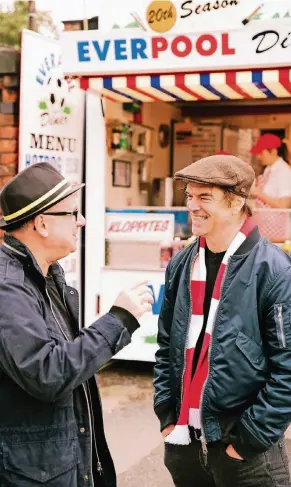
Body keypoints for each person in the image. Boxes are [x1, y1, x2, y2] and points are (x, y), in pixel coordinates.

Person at [0, 162, 153, 487]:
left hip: (56, 464)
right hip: (32, 473)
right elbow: (48, 373)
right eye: (71, 213)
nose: (81, 221)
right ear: (41, 223)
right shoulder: (7, 288)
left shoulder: (47, 275)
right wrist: (118, 321)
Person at [153, 153, 291, 487]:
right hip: (184, 443)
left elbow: (287, 368)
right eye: (189, 195)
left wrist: (248, 441)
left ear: (235, 204)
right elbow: (165, 345)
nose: (192, 206)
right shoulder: (182, 263)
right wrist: (167, 416)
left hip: (245, 453)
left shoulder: (273, 269)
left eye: (204, 197)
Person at [250, 133, 291, 208]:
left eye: (261, 152)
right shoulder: (268, 169)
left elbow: (284, 206)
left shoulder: (284, 172)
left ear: (273, 151)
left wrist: (258, 193)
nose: (258, 156)